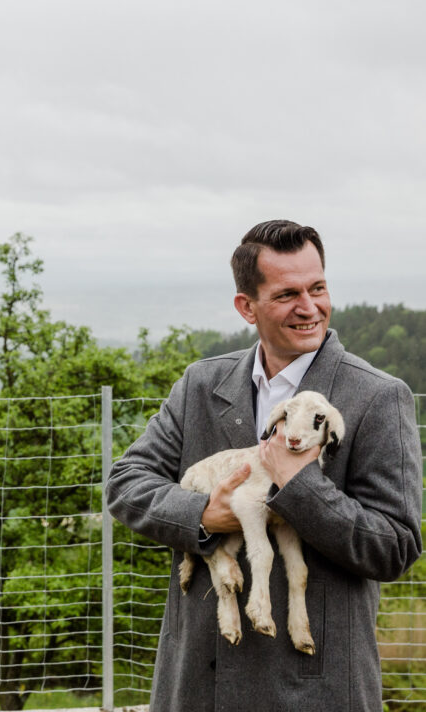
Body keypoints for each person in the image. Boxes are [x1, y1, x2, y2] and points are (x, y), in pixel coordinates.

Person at [105, 220, 422, 711]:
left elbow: (395, 547)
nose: (309, 307)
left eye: (317, 287)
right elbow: (126, 483)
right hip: (198, 682)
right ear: (246, 306)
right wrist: (204, 516)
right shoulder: (200, 385)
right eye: (287, 293)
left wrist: (300, 486)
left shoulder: (378, 397)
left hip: (315, 687)